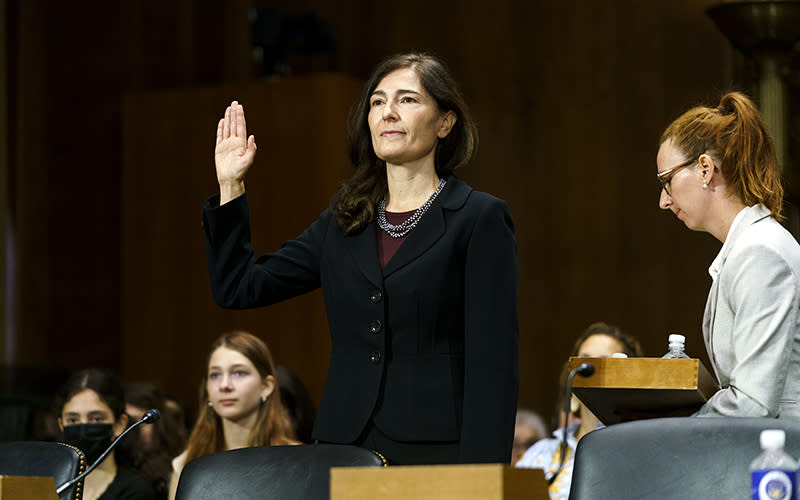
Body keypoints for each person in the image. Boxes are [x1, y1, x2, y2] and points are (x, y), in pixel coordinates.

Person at [202, 52, 519, 464]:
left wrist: (484, 474)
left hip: (437, 447)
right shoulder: (343, 221)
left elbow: (493, 361)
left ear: (445, 122)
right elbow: (238, 288)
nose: (388, 112)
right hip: (343, 441)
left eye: (407, 100)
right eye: (377, 102)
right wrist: (231, 185)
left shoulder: (479, 217)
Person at [656, 92, 800, 418]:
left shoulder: (760, 253)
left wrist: (670, 431)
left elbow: (752, 403)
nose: (664, 201)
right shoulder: (749, 248)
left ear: (705, 168)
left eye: (667, 181)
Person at [516, 322, 642, 500]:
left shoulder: (641, 453)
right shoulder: (541, 455)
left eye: (604, 361)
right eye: (585, 360)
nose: (592, 370)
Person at [167, 331, 296, 500]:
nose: (224, 385)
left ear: (266, 386)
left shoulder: (295, 460)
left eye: (239, 373)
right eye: (215, 375)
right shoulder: (187, 464)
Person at [55, 369, 157, 500]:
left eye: (96, 418)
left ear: (119, 424)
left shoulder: (136, 491)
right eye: (73, 420)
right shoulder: (47, 483)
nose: (84, 426)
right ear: (61, 425)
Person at [121, 383, 187, 500]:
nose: (130, 431)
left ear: (159, 425)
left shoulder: (177, 467)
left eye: (137, 422)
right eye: (125, 423)